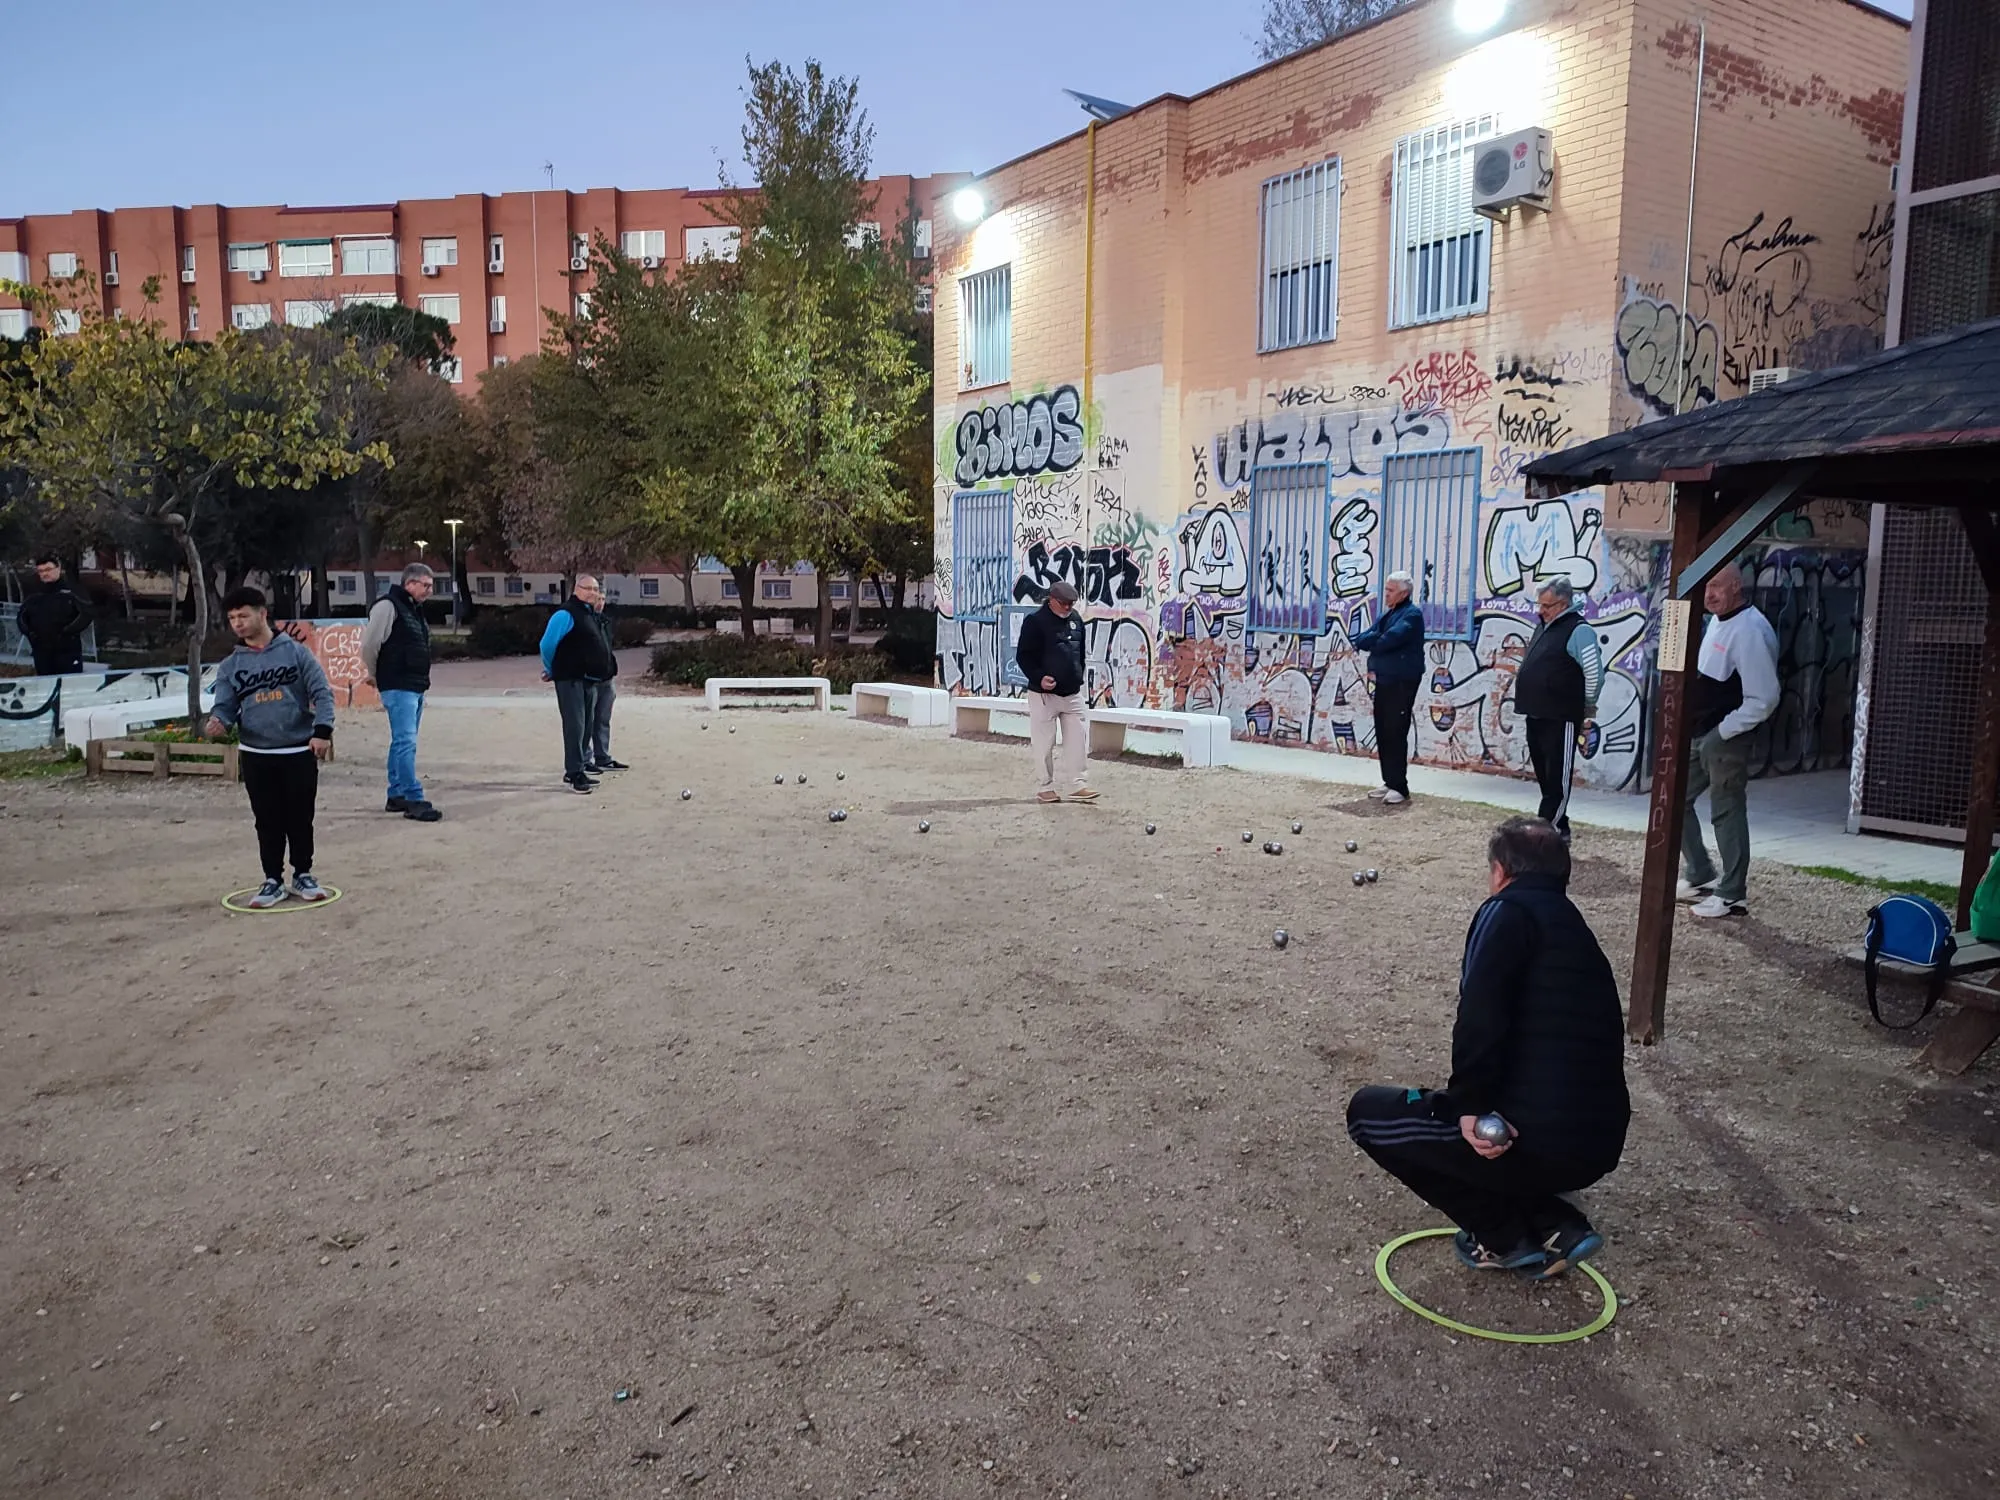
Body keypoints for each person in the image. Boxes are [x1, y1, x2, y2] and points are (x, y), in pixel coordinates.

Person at [1346, 817, 1629, 1277]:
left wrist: (1469, 1108)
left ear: (1500, 871)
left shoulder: (1504, 911)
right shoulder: (1575, 928)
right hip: (1599, 1144)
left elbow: (1481, 1016)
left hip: (1531, 1140)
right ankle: (1557, 1224)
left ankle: (1502, 1236)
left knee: (1367, 1113)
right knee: (1519, 1127)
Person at [206, 586, 336, 910]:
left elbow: (322, 693)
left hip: (297, 751)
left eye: (243, 615)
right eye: (232, 618)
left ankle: (303, 874)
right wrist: (218, 722)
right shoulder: (230, 666)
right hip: (256, 754)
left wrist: (322, 731)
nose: (237, 623)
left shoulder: (296, 653)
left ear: (262, 614)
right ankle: (272, 880)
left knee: (300, 817)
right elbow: (225, 705)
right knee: (266, 819)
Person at [1679, 566, 1780, 919]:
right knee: (1676, 800)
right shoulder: (1719, 621)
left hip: (1725, 737)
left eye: (1717, 585)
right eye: (1706, 585)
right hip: (1703, 733)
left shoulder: (1750, 629)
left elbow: (1764, 697)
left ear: (1736, 587)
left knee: (1726, 809)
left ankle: (1732, 893)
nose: (1709, 593)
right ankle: (1700, 873)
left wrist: (1721, 732)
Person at [1514, 579, 1604, 842]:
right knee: (1544, 775)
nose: (1540, 610)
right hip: (1535, 713)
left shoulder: (1579, 630)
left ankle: (1543, 832)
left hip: (1561, 715)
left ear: (1563, 604)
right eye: (1540, 604)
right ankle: (1559, 827)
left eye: (1547, 605)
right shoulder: (1544, 626)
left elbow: (1594, 674)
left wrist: (1587, 707)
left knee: (1557, 778)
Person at [361, 563, 442, 822]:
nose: (429, 590)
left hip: (413, 684)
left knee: (402, 742)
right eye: (425, 585)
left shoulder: (412, 610)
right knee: (406, 742)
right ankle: (413, 797)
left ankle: (396, 793)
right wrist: (375, 674)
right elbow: (370, 645)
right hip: (398, 683)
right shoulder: (388, 607)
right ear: (410, 583)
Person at [1014, 579, 1096, 805]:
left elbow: (1079, 652)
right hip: (1044, 695)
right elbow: (1024, 656)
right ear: (1051, 599)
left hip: (1072, 692)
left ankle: (1079, 784)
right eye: (1064, 603)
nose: (1068, 607)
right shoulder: (1035, 622)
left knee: (1079, 739)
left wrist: (1078, 675)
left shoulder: (1076, 620)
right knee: (1044, 742)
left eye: (1071, 603)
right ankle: (1045, 787)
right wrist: (1039, 677)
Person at [1349, 571, 1425, 804]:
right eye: (1386, 590)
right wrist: (1373, 639)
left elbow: (1388, 640)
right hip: (1384, 679)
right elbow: (1364, 637)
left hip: (1402, 681)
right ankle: (1389, 780)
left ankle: (1400, 786)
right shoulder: (1388, 614)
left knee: (1395, 730)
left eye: (1391, 591)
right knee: (1382, 729)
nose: (1386, 594)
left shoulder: (1412, 615)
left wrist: (1375, 639)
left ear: (1403, 593)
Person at [539, 574, 616, 794]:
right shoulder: (566, 614)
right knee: (575, 725)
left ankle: (580, 766)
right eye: (588, 588)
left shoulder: (589, 614)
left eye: (595, 589)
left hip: (589, 679)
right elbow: (547, 644)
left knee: (587, 725)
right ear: (577, 589)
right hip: (570, 678)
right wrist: (552, 669)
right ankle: (573, 772)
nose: (593, 593)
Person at [20, 555, 94, 676]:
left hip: (68, 653)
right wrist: (31, 634)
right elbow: (21, 618)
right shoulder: (34, 595)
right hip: (42, 653)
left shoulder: (72, 591)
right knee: (45, 684)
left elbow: (86, 614)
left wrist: (66, 632)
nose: (45, 573)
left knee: (69, 684)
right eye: (41, 571)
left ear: (58, 569)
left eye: (48, 569)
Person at [585, 594, 628, 773]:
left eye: (603, 599)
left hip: (607, 677)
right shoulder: (583, 621)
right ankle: (585, 759)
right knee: (586, 721)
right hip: (589, 678)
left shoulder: (604, 622)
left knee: (603, 719)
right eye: (597, 599)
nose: (600, 603)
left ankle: (602, 756)